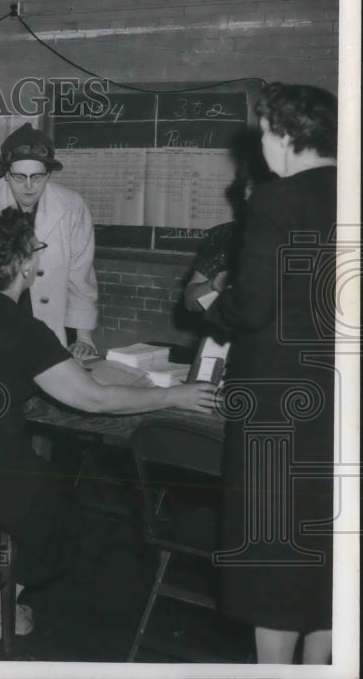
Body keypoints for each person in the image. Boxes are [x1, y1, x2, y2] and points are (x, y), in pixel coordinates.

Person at [0, 207, 216, 641]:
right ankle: (4, 603)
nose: (38, 259)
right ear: (24, 265)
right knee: (65, 512)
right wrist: (175, 394)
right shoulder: (25, 329)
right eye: (36, 251)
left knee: (29, 487)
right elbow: (94, 398)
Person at [205, 82, 337, 665]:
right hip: (339, 405)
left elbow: (252, 306)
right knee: (327, 563)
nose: (261, 148)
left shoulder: (275, 201)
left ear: (285, 137)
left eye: (264, 135)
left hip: (277, 407)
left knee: (273, 561)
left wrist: (215, 306)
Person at [0, 124, 98, 358]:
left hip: (50, 325)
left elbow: (82, 275)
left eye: (37, 177)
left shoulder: (72, 207)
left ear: (48, 174)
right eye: (19, 177)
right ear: (7, 173)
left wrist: (83, 337)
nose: (29, 187)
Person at [183, 149, 275, 312]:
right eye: (250, 187)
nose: (251, 195)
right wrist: (214, 284)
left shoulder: (300, 237)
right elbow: (190, 303)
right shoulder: (224, 236)